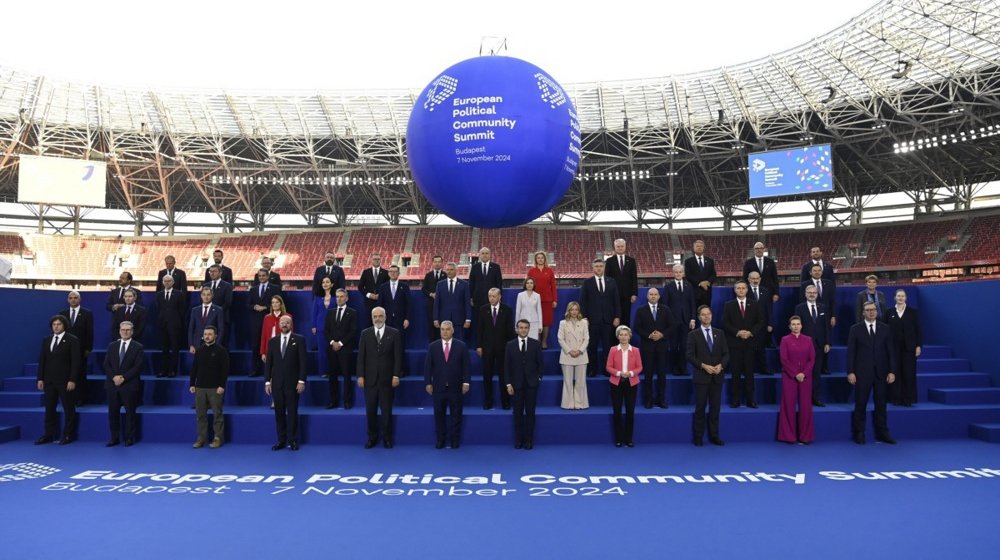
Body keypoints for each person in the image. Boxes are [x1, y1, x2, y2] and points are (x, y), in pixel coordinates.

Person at [846, 301, 898, 445]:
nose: (871, 312)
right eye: (868, 310)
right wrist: (850, 372)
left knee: (881, 404)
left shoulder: (885, 328)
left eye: (873, 310)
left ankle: (882, 432)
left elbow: (890, 352)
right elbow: (851, 352)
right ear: (863, 312)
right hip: (862, 373)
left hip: (881, 373)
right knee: (860, 404)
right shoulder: (855, 329)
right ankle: (859, 432)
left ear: (877, 311)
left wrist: (892, 371)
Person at [357, 307, 402, 448]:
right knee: (370, 411)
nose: (377, 319)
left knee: (386, 411)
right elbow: (361, 357)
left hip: (387, 380)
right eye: (375, 316)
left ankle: (387, 438)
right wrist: (360, 376)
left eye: (380, 316)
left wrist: (396, 375)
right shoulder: (365, 333)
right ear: (372, 318)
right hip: (369, 380)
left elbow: (398, 357)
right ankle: (372, 438)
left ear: (385, 317)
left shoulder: (394, 333)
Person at [424, 321, 471, 449]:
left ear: (453, 330)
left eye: (447, 329)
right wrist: (428, 382)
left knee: (456, 415)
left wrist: (466, 382)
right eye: (442, 329)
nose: (445, 332)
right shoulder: (433, 346)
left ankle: (455, 440)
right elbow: (428, 367)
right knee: (439, 415)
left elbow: (466, 366)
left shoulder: (461, 346)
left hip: (456, 387)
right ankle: (441, 440)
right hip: (438, 387)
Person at [35, 315, 81, 445]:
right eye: (54, 324)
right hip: (49, 381)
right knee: (49, 409)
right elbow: (42, 360)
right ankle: (48, 435)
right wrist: (40, 378)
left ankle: (68, 435)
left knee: (68, 409)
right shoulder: (46, 340)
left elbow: (75, 362)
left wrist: (72, 379)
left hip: (65, 381)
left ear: (64, 325)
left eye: (58, 324)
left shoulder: (72, 340)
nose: (56, 326)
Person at [687, 306, 728, 446]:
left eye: (708, 314)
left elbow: (726, 354)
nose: (706, 317)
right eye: (703, 315)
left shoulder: (720, 333)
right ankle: (698, 437)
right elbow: (690, 356)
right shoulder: (693, 334)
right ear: (699, 317)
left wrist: (720, 366)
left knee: (715, 408)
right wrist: (704, 366)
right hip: (701, 377)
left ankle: (714, 435)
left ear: (712, 316)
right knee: (700, 408)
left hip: (717, 376)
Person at [264, 315, 306, 450]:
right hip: (277, 384)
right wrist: (267, 382)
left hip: (293, 384)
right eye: (282, 322)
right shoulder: (272, 341)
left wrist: (301, 381)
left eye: (287, 322)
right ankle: (281, 440)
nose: (284, 324)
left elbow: (303, 363)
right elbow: (269, 364)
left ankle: (292, 440)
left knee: (292, 413)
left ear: (291, 325)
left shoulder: (299, 339)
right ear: (279, 324)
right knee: (279, 413)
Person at [722, 281, 765, 408]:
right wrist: (738, 332)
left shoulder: (755, 304)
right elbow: (725, 322)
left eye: (743, 288)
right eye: (738, 288)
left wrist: (751, 332)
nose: (741, 290)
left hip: (750, 344)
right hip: (735, 344)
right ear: (735, 290)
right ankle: (735, 400)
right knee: (735, 374)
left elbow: (760, 321)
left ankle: (750, 399)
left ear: (747, 290)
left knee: (749, 373)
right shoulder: (728, 305)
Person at [504, 320, 543, 449]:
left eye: (526, 328)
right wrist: (508, 384)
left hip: (532, 385)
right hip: (516, 385)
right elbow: (507, 367)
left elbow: (540, 365)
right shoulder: (510, 345)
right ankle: (518, 440)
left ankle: (529, 441)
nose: (523, 330)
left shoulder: (536, 344)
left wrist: (538, 379)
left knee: (530, 413)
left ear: (529, 329)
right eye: (521, 327)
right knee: (517, 413)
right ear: (516, 329)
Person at [104, 321, 144, 447]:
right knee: (113, 413)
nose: (125, 332)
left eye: (128, 330)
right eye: (123, 330)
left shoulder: (138, 347)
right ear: (119, 331)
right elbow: (106, 364)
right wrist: (114, 377)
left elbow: (138, 366)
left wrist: (123, 377)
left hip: (129, 385)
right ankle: (114, 438)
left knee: (130, 413)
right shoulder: (112, 346)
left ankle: (129, 438)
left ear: (132, 331)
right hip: (112, 384)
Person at [189, 325, 229, 449]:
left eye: (210, 334)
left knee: (217, 414)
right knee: (200, 415)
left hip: (215, 388)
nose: (207, 336)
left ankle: (218, 438)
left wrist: (222, 385)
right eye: (205, 334)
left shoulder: (221, 351)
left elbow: (225, 370)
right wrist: (192, 384)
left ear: (215, 336)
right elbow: (194, 368)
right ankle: (201, 438)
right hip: (200, 388)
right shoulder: (199, 350)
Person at [579, 258, 620, 377]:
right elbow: (583, 302)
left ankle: (607, 370)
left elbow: (616, 300)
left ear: (604, 267)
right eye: (596, 266)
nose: (599, 268)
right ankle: (592, 369)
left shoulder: (611, 281)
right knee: (592, 347)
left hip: (608, 320)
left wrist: (617, 316)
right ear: (593, 268)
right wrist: (584, 318)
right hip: (592, 321)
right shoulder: (587, 282)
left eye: (601, 266)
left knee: (608, 347)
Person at [778, 316, 816, 444]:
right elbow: (784, 359)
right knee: (788, 405)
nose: (796, 326)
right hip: (789, 376)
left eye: (798, 324)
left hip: (805, 377)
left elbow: (812, 359)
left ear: (801, 326)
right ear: (789, 326)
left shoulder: (808, 340)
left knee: (805, 406)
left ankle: (805, 436)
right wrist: (795, 374)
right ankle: (789, 436)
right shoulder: (785, 340)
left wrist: (804, 373)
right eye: (793, 324)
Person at [476, 287, 515, 410]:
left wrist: (510, 348)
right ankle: (488, 401)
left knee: (504, 376)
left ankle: (506, 402)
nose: (491, 298)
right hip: (487, 348)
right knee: (487, 376)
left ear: (499, 297)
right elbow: (479, 330)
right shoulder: (483, 310)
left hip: (503, 348)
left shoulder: (507, 310)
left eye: (494, 296)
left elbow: (510, 331)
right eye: (489, 296)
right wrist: (479, 346)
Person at [634, 288, 672, 408]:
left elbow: (672, 325)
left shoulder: (666, 309)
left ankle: (661, 400)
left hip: (662, 346)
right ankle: (648, 400)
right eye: (651, 294)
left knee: (662, 374)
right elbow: (637, 327)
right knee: (648, 375)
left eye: (655, 294)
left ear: (659, 296)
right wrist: (649, 335)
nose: (653, 296)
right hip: (647, 346)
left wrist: (662, 334)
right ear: (647, 296)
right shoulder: (641, 310)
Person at [794, 285, 831, 407]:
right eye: (809, 292)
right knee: (804, 372)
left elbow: (826, 327)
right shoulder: (799, 308)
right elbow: (796, 327)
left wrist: (827, 342)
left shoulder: (823, 307)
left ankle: (815, 398)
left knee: (816, 373)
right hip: (804, 346)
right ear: (805, 294)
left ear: (817, 294)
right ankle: (803, 398)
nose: (812, 294)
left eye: (814, 292)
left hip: (820, 346)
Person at [606, 325, 642, 447]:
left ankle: (629, 439)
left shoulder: (636, 350)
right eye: (621, 334)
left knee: (630, 411)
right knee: (617, 411)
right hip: (616, 383)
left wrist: (631, 373)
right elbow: (608, 367)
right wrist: (619, 373)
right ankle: (618, 439)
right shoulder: (613, 350)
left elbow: (640, 367)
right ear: (618, 336)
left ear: (629, 336)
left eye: (625, 334)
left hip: (631, 383)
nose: (623, 337)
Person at [887, 289, 922, 406]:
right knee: (895, 372)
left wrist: (918, 346)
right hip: (894, 348)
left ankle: (908, 399)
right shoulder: (889, 312)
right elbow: (885, 332)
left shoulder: (913, 312)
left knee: (909, 373)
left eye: (903, 296)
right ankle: (896, 398)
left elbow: (918, 331)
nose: (900, 298)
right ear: (895, 298)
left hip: (909, 348)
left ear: (906, 298)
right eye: (898, 296)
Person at [324, 289, 357, 409]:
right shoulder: (330, 312)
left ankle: (347, 401)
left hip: (345, 349)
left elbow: (352, 331)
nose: (339, 299)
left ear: (346, 298)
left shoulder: (352, 312)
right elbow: (326, 330)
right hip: (332, 349)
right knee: (332, 376)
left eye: (342, 296)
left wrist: (341, 343)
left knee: (346, 376)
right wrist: (333, 342)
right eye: (337, 297)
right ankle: (333, 401)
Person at [60, 291, 93, 404]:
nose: (73, 300)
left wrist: (88, 348)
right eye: (70, 298)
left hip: (81, 350)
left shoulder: (87, 313)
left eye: (75, 298)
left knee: (80, 373)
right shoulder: (62, 313)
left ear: (80, 299)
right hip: (65, 349)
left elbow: (89, 332)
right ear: (68, 300)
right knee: (66, 373)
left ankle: (81, 398)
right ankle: (68, 397)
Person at [248, 269, 282, 377]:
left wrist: (266, 307)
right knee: (256, 345)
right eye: (260, 276)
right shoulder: (253, 289)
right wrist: (254, 306)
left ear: (267, 276)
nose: (261, 277)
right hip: (256, 322)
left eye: (263, 275)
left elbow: (280, 303)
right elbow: (248, 304)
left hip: (271, 320)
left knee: (273, 344)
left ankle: (275, 370)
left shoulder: (275, 288)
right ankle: (255, 370)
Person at [557, 301, 589, 410]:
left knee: (581, 382)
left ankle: (580, 404)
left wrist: (580, 351)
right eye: (572, 309)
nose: (574, 312)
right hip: (567, 355)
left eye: (576, 309)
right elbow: (560, 339)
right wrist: (569, 351)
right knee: (567, 381)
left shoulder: (584, 323)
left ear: (578, 311)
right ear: (568, 311)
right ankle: (568, 404)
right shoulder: (563, 323)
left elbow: (587, 338)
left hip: (581, 355)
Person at [664, 264, 695, 375]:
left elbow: (692, 303)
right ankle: (675, 368)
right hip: (673, 322)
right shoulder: (668, 287)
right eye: (676, 272)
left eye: (680, 272)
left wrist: (693, 319)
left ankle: (683, 368)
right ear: (673, 273)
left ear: (683, 273)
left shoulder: (689, 286)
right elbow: (665, 306)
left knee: (684, 346)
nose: (678, 274)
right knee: (673, 346)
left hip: (686, 321)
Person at [156, 274, 187, 378]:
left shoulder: (179, 294)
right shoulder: (159, 295)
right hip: (162, 325)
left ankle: (172, 370)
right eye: (165, 281)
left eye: (169, 281)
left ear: (173, 282)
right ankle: (164, 370)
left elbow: (182, 310)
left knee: (174, 349)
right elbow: (159, 309)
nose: (167, 283)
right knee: (164, 349)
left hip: (175, 325)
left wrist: (178, 322)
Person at [469, 247, 503, 337]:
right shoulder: (475, 267)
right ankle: (479, 344)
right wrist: (471, 297)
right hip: (478, 300)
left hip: (493, 300)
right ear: (479, 255)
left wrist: (499, 297)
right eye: (483, 253)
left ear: (490, 255)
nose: (484, 255)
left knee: (492, 323)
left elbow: (499, 283)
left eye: (486, 253)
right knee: (479, 323)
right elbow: (471, 283)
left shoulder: (496, 267)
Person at [605, 238, 638, 328]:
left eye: (622, 246)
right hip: (613, 295)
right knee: (615, 318)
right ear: (615, 247)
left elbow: (634, 278)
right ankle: (615, 341)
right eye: (618, 246)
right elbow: (607, 279)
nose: (620, 248)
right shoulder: (609, 261)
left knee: (626, 318)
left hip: (628, 296)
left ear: (625, 247)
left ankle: (626, 340)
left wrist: (634, 293)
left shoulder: (631, 261)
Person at [434, 262, 471, 341]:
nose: (449, 272)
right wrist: (435, 318)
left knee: (459, 342)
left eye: (451, 270)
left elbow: (467, 303)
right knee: (444, 343)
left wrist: (468, 319)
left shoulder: (464, 284)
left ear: (456, 270)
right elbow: (437, 303)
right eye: (447, 270)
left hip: (459, 320)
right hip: (444, 319)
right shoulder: (440, 284)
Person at [527, 251, 557, 348]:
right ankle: (537, 341)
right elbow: (528, 285)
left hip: (547, 300)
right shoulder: (531, 271)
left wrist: (555, 300)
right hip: (534, 300)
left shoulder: (549, 270)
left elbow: (553, 286)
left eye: (542, 257)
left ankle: (544, 342)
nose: (540, 259)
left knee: (546, 321)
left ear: (545, 259)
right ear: (536, 259)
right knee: (535, 320)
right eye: (538, 258)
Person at [377, 264, 410, 352]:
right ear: (388, 273)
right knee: (386, 346)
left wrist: (407, 318)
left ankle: (399, 365)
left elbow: (408, 304)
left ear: (399, 273)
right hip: (386, 320)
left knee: (399, 345)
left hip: (400, 321)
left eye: (395, 272)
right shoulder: (383, 287)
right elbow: (380, 304)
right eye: (391, 271)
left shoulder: (405, 286)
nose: (393, 273)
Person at [747, 271, 774, 373]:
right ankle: (749, 369)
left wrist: (770, 323)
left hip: (763, 325)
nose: (755, 280)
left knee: (761, 349)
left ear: (760, 279)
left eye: (757, 278)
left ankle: (764, 369)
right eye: (753, 278)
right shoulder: (745, 291)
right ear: (749, 279)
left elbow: (769, 308)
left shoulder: (765, 291)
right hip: (749, 326)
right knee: (749, 350)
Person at [312, 276, 337, 380]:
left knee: (332, 350)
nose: (325, 284)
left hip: (334, 327)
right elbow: (314, 312)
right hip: (320, 327)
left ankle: (333, 371)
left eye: (327, 282)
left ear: (332, 284)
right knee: (322, 351)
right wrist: (313, 326)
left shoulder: (336, 297)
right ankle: (323, 371)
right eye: (323, 282)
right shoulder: (317, 298)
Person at [189, 287, 225, 354]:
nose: (206, 297)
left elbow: (221, 330)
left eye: (208, 295)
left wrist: (217, 345)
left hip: (212, 344)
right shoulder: (195, 310)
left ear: (212, 296)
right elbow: (191, 328)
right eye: (204, 294)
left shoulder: (218, 310)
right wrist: (191, 345)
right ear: (201, 296)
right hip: (197, 345)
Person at [203, 264, 233, 341]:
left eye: (215, 271)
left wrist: (216, 313)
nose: (212, 273)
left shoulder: (227, 286)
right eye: (211, 271)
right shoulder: (206, 285)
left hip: (222, 317)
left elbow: (228, 302)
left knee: (222, 342)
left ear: (220, 273)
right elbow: (203, 302)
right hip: (207, 319)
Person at [683, 240, 716, 309]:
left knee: (706, 311)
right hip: (694, 292)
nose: (699, 248)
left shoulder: (710, 261)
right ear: (694, 248)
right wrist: (700, 283)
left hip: (707, 292)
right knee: (694, 312)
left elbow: (713, 274)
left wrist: (708, 282)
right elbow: (688, 276)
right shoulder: (688, 261)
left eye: (701, 246)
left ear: (703, 248)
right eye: (697, 246)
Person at [260, 295, 292, 363]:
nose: (274, 304)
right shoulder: (267, 318)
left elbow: (291, 335)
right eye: (273, 302)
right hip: (270, 348)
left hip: (283, 348)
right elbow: (264, 336)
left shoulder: (287, 316)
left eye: (277, 302)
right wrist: (263, 353)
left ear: (280, 304)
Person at [422, 255, 446, 342]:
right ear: (432, 263)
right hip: (431, 305)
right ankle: (432, 347)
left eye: (439, 262)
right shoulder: (428, 275)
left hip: (443, 305)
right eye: (435, 262)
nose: (437, 264)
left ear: (442, 263)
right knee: (431, 326)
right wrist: (431, 294)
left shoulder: (446, 275)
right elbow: (423, 289)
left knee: (443, 326)